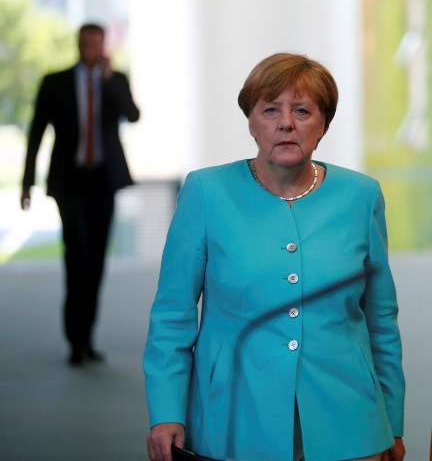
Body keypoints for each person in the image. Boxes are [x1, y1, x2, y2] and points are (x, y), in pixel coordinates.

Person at [143, 53, 405, 461]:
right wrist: (166, 411)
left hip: (349, 419)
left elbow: (381, 320)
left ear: (323, 125)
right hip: (233, 415)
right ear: (251, 121)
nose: (286, 123)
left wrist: (392, 420)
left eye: (302, 110)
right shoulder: (206, 192)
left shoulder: (361, 196)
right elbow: (172, 315)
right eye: (270, 110)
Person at [21, 22, 140, 366]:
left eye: (97, 43)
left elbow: (132, 115)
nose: (91, 48)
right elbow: (36, 133)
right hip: (69, 182)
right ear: (78, 44)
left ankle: (88, 337)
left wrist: (108, 80)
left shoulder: (114, 80)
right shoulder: (54, 82)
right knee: (78, 255)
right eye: (86, 42)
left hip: (104, 181)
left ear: (103, 46)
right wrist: (27, 182)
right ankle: (75, 341)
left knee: (97, 260)